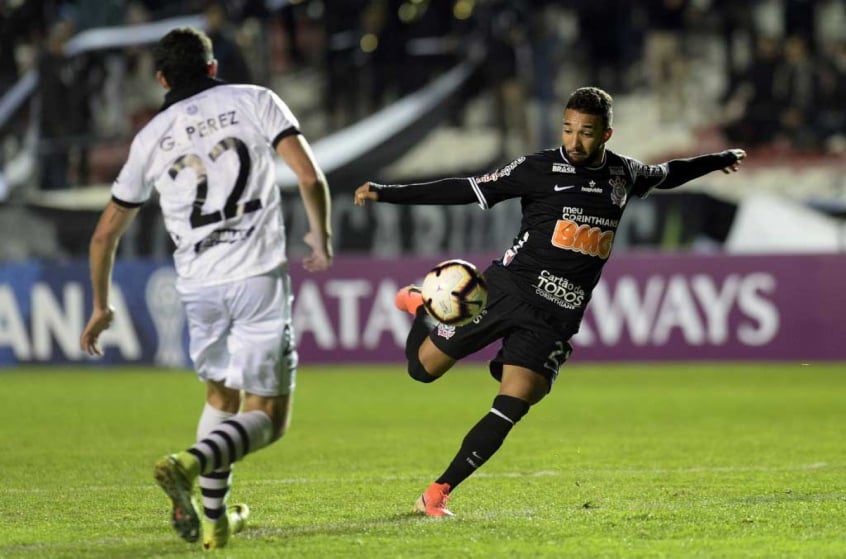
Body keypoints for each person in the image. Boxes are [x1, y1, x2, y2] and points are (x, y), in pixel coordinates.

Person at [353, 86, 746, 517]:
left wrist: (719, 160)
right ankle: (422, 305)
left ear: (607, 134)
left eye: (587, 133)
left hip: (558, 315)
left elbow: (670, 172)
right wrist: (388, 191)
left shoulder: (623, 175)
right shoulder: (538, 168)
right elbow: (466, 188)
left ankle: (438, 492)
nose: (574, 141)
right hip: (506, 290)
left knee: (514, 404)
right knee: (421, 371)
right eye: (568, 129)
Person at [79, 27, 333, 548]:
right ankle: (187, 462)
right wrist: (319, 235)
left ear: (161, 79)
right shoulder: (255, 99)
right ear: (213, 67)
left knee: (221, 395)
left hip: (198, 286)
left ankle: (213, 522)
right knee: (268, 417)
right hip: (256, 275)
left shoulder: (150, 138)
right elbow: (308, 177)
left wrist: (101, 306)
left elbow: (104, 233)